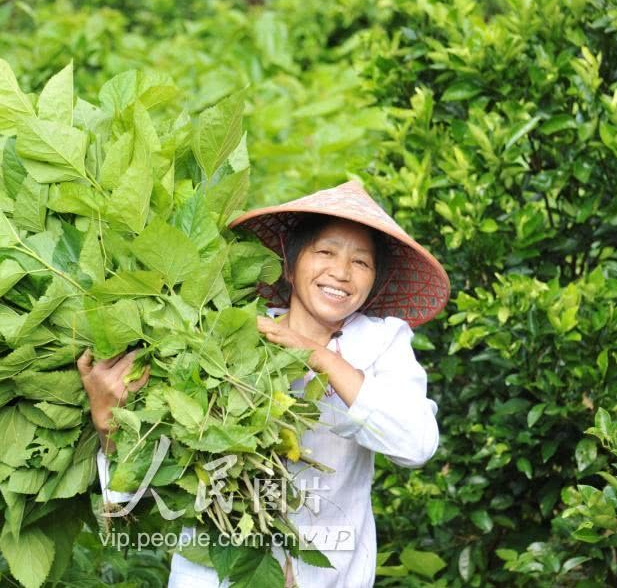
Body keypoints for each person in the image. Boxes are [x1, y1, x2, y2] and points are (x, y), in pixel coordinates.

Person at [77, 179, 450, 587]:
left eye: (361, 262)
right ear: (289, 266)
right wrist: (109, 425)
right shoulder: (229, 333)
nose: (341, 272)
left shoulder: (380, 341)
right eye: (325, 251)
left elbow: (416, 445)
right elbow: (135, 502)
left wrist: (315, 355)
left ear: (374, 281)